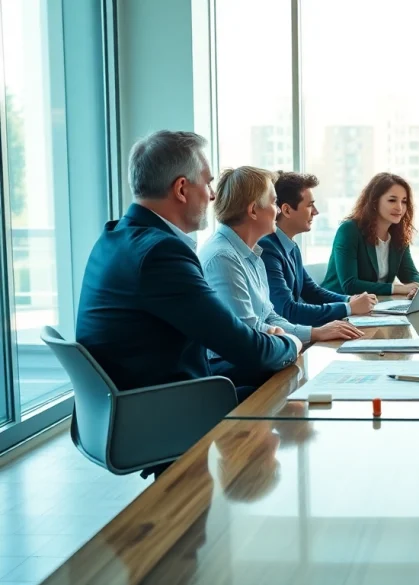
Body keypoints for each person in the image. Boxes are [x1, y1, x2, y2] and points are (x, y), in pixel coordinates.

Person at [76, 131, 300, 480]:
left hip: (132, 402)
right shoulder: (161, 253)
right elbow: (245, 346)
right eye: (207, 183)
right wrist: (292, 343)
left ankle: (217, 495)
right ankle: (223, 495)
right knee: (283, 389)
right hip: (156, 411)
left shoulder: (116, 236)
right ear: (182, 189)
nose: (212, 195)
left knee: (271, 377)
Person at [199, 166, 362, 388]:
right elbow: (248, 335)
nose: (278, 211)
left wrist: (303, 335)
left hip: (258, 355)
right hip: (231, 368)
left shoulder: (251, 252)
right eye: (274, 202)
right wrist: (299, 338)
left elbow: (269, 315)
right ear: (253, 210)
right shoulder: (223, 258)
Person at [259, 171, 377, 326]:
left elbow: (312, 291)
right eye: (309, 205)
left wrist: (350, 300)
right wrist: (348, 308)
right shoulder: (267, 249)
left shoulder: (291, 246)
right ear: (287, 210)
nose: (316, 212)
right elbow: (288, 311)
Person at [322, 172, 419, 296]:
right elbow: (350, 285)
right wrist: (398, 288)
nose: (400, 208)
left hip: (377, 303)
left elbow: (410, 275)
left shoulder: (398, 235)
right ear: (374, 202)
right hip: (338, 303)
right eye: (392, 200)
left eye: (404, 201)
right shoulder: (349, 230)